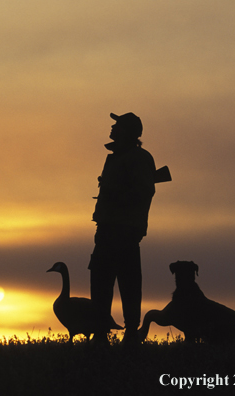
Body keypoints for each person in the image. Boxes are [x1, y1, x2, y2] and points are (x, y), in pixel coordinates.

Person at [89, 112, 156, 346]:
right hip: (108, 228)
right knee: (101, 281)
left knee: (127, 283)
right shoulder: (119, 157)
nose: (112, 128)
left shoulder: (137, 158)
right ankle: (101, 334)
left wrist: (115, 194)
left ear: (128, 131)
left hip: (124, 230)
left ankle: (130, 334)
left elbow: (144, 192)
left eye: (117, 125)